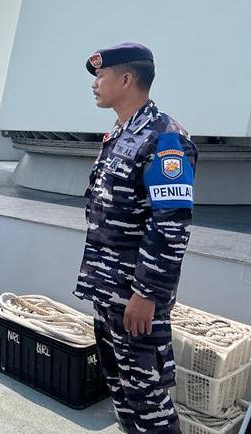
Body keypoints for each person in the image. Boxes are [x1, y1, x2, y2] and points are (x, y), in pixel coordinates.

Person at [75, 42, 197, 433]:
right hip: (108, 292)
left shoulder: (164, 139)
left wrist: (147, 294)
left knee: (149, 403)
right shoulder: (119, 134)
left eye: (101, 75)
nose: (94, 83)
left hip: (135, 298)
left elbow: (171, 225)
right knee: (122, 394)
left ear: (127, 79)